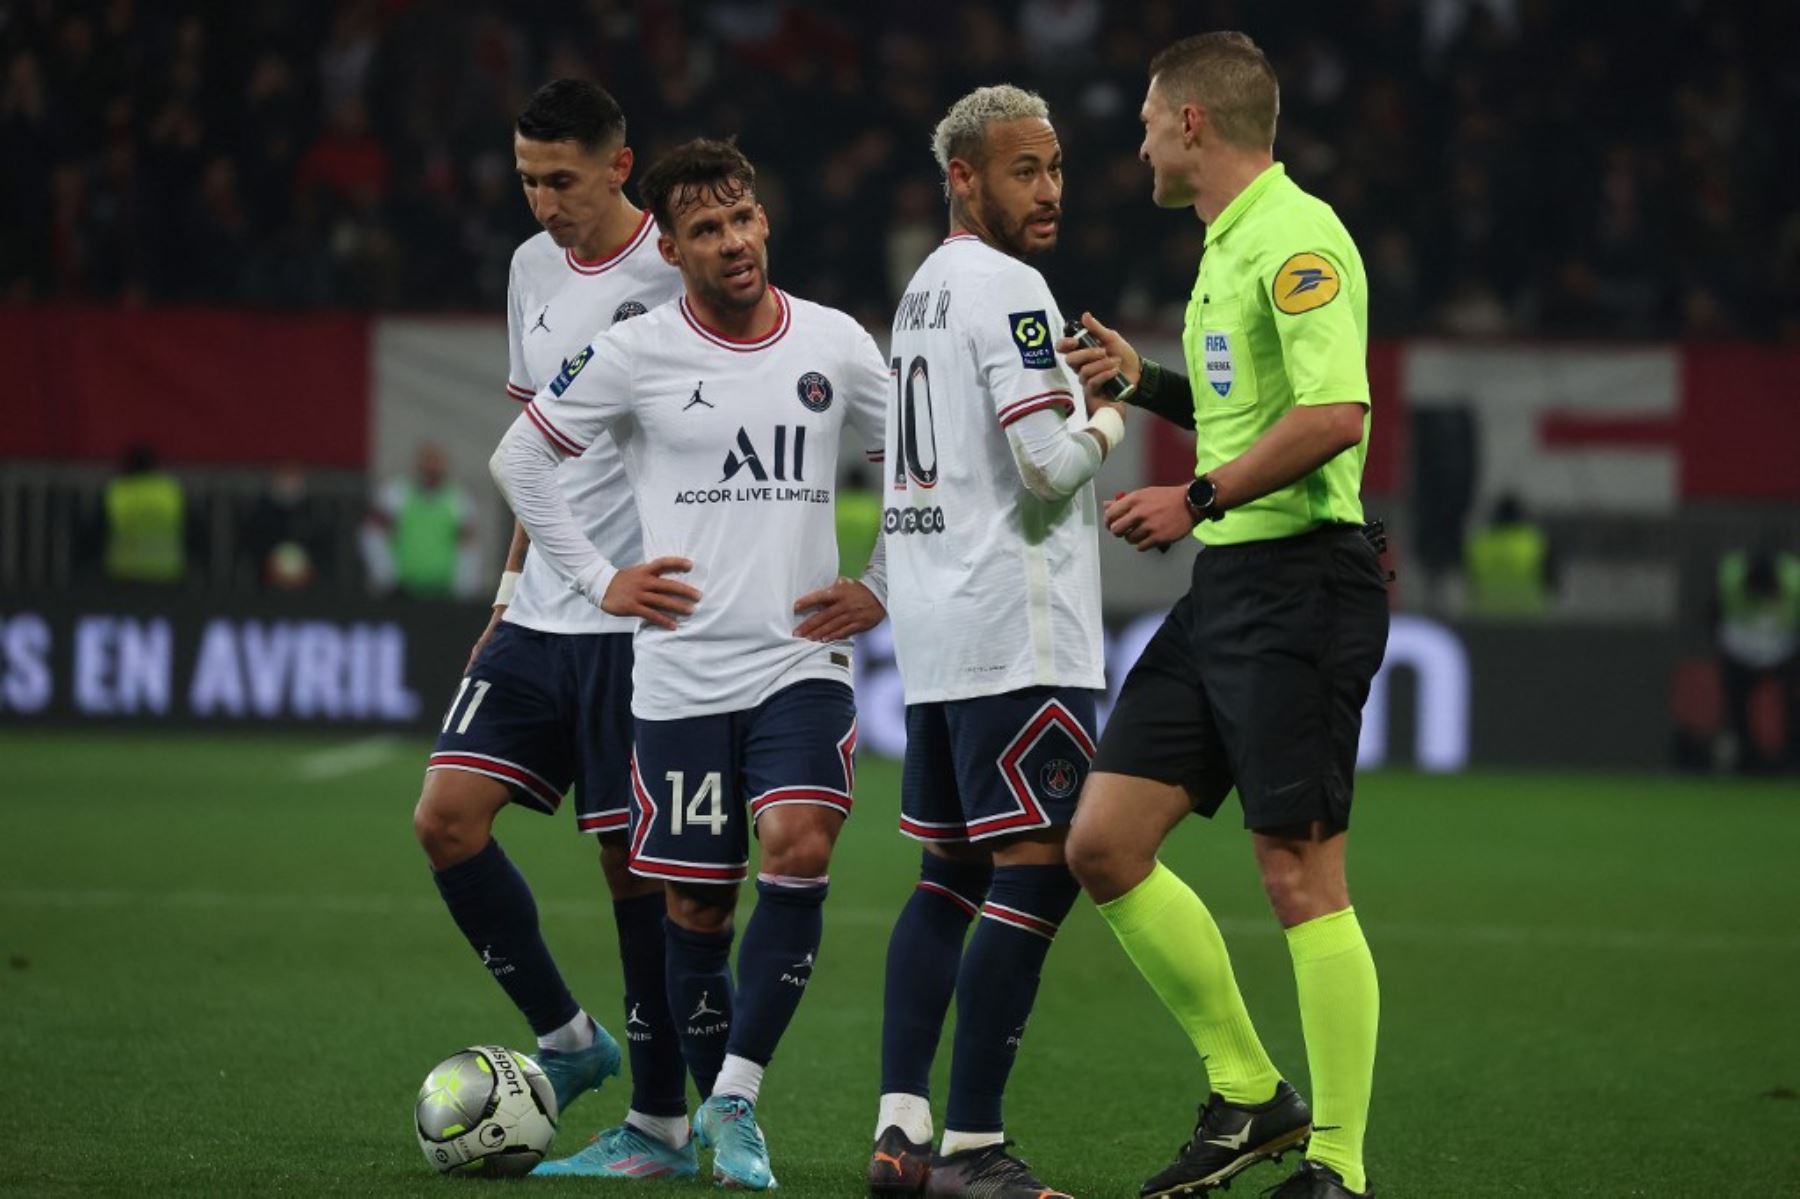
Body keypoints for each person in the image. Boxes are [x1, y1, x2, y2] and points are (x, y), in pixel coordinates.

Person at [489, 137, 891, 1192]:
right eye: (706, 229)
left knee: (798, 844)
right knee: (696, 912)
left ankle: (737, 1096)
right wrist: (595, 579)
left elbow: (920, 466)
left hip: (799, 663)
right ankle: (683, 1128)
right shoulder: (635, 352)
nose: (734, 241)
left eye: (744, 218)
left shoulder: (839, 344)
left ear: (765, 220)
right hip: (675, 681)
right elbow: (520, 457)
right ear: (670, 248)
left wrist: (885, 580)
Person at [1057, 33, 1389, 1199]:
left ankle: (1338, 1167)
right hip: (1232, 591)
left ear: (1193, 124)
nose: (1139, 141)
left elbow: (1335, 413)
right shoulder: (1225, 247)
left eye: (1150, 121)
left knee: (1299, 873)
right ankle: (1251, 1093)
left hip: (1302, 581)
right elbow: (1252, 403)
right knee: (1102, 841)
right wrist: (1143, 382)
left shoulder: (1299, 236)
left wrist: (1194, 495)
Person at [408, 79, 694, 1182]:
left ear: (621, 167)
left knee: (634, 869)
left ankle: (662, 1126)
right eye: (527, 178)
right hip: (542, 610)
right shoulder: (532, 269)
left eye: (560, 179)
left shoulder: (677, 269)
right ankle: (574, 1042)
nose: (540, 202)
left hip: (638, 623)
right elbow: (540, 446)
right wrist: (502, 594)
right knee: (445, 817)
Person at [869, 84, 1122, 1199]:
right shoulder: (1014, 289)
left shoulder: (922, 290)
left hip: (938, 636)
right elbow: (1045, 465)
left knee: (948, 875)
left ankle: (899, 1129)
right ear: (963, 177)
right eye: (1025, 169)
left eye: (1056, 167)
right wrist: (1114, 412)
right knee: (1040, 865)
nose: (1050, 188)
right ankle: (973, 1148)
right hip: (1019, 635)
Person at [1714, 546, 1800, 773]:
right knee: (1737, 706)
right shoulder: (1730, 579)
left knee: (1791, 704)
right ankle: (1746, 759)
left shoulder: (1794, 582)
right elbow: (1714, 612)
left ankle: (1791, 758)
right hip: (1739, 651)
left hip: (1781, 650)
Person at [361, 441, 477, 599]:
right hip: (402, 590)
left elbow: (467, 545)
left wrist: (464, 585)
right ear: (419, 465)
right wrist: (385, 576)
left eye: (437, 465)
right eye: (428, 464)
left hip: (444, 590)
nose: (432, 470)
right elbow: (374, 535)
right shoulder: (396, 494)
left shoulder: (458, 500)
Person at [101, 443, 187, 584]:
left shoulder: (117, 493)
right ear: (155, 466)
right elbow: (194, 531)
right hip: (167, 574)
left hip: (124, 575)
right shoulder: (170, 493)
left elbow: (94, 534)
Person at [1464, 492, 1551, 617]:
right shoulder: (1536, 542)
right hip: (1531, 618)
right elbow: (1551, 584)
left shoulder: (1478, 545)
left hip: (1487, 620)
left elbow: (1471, 582)